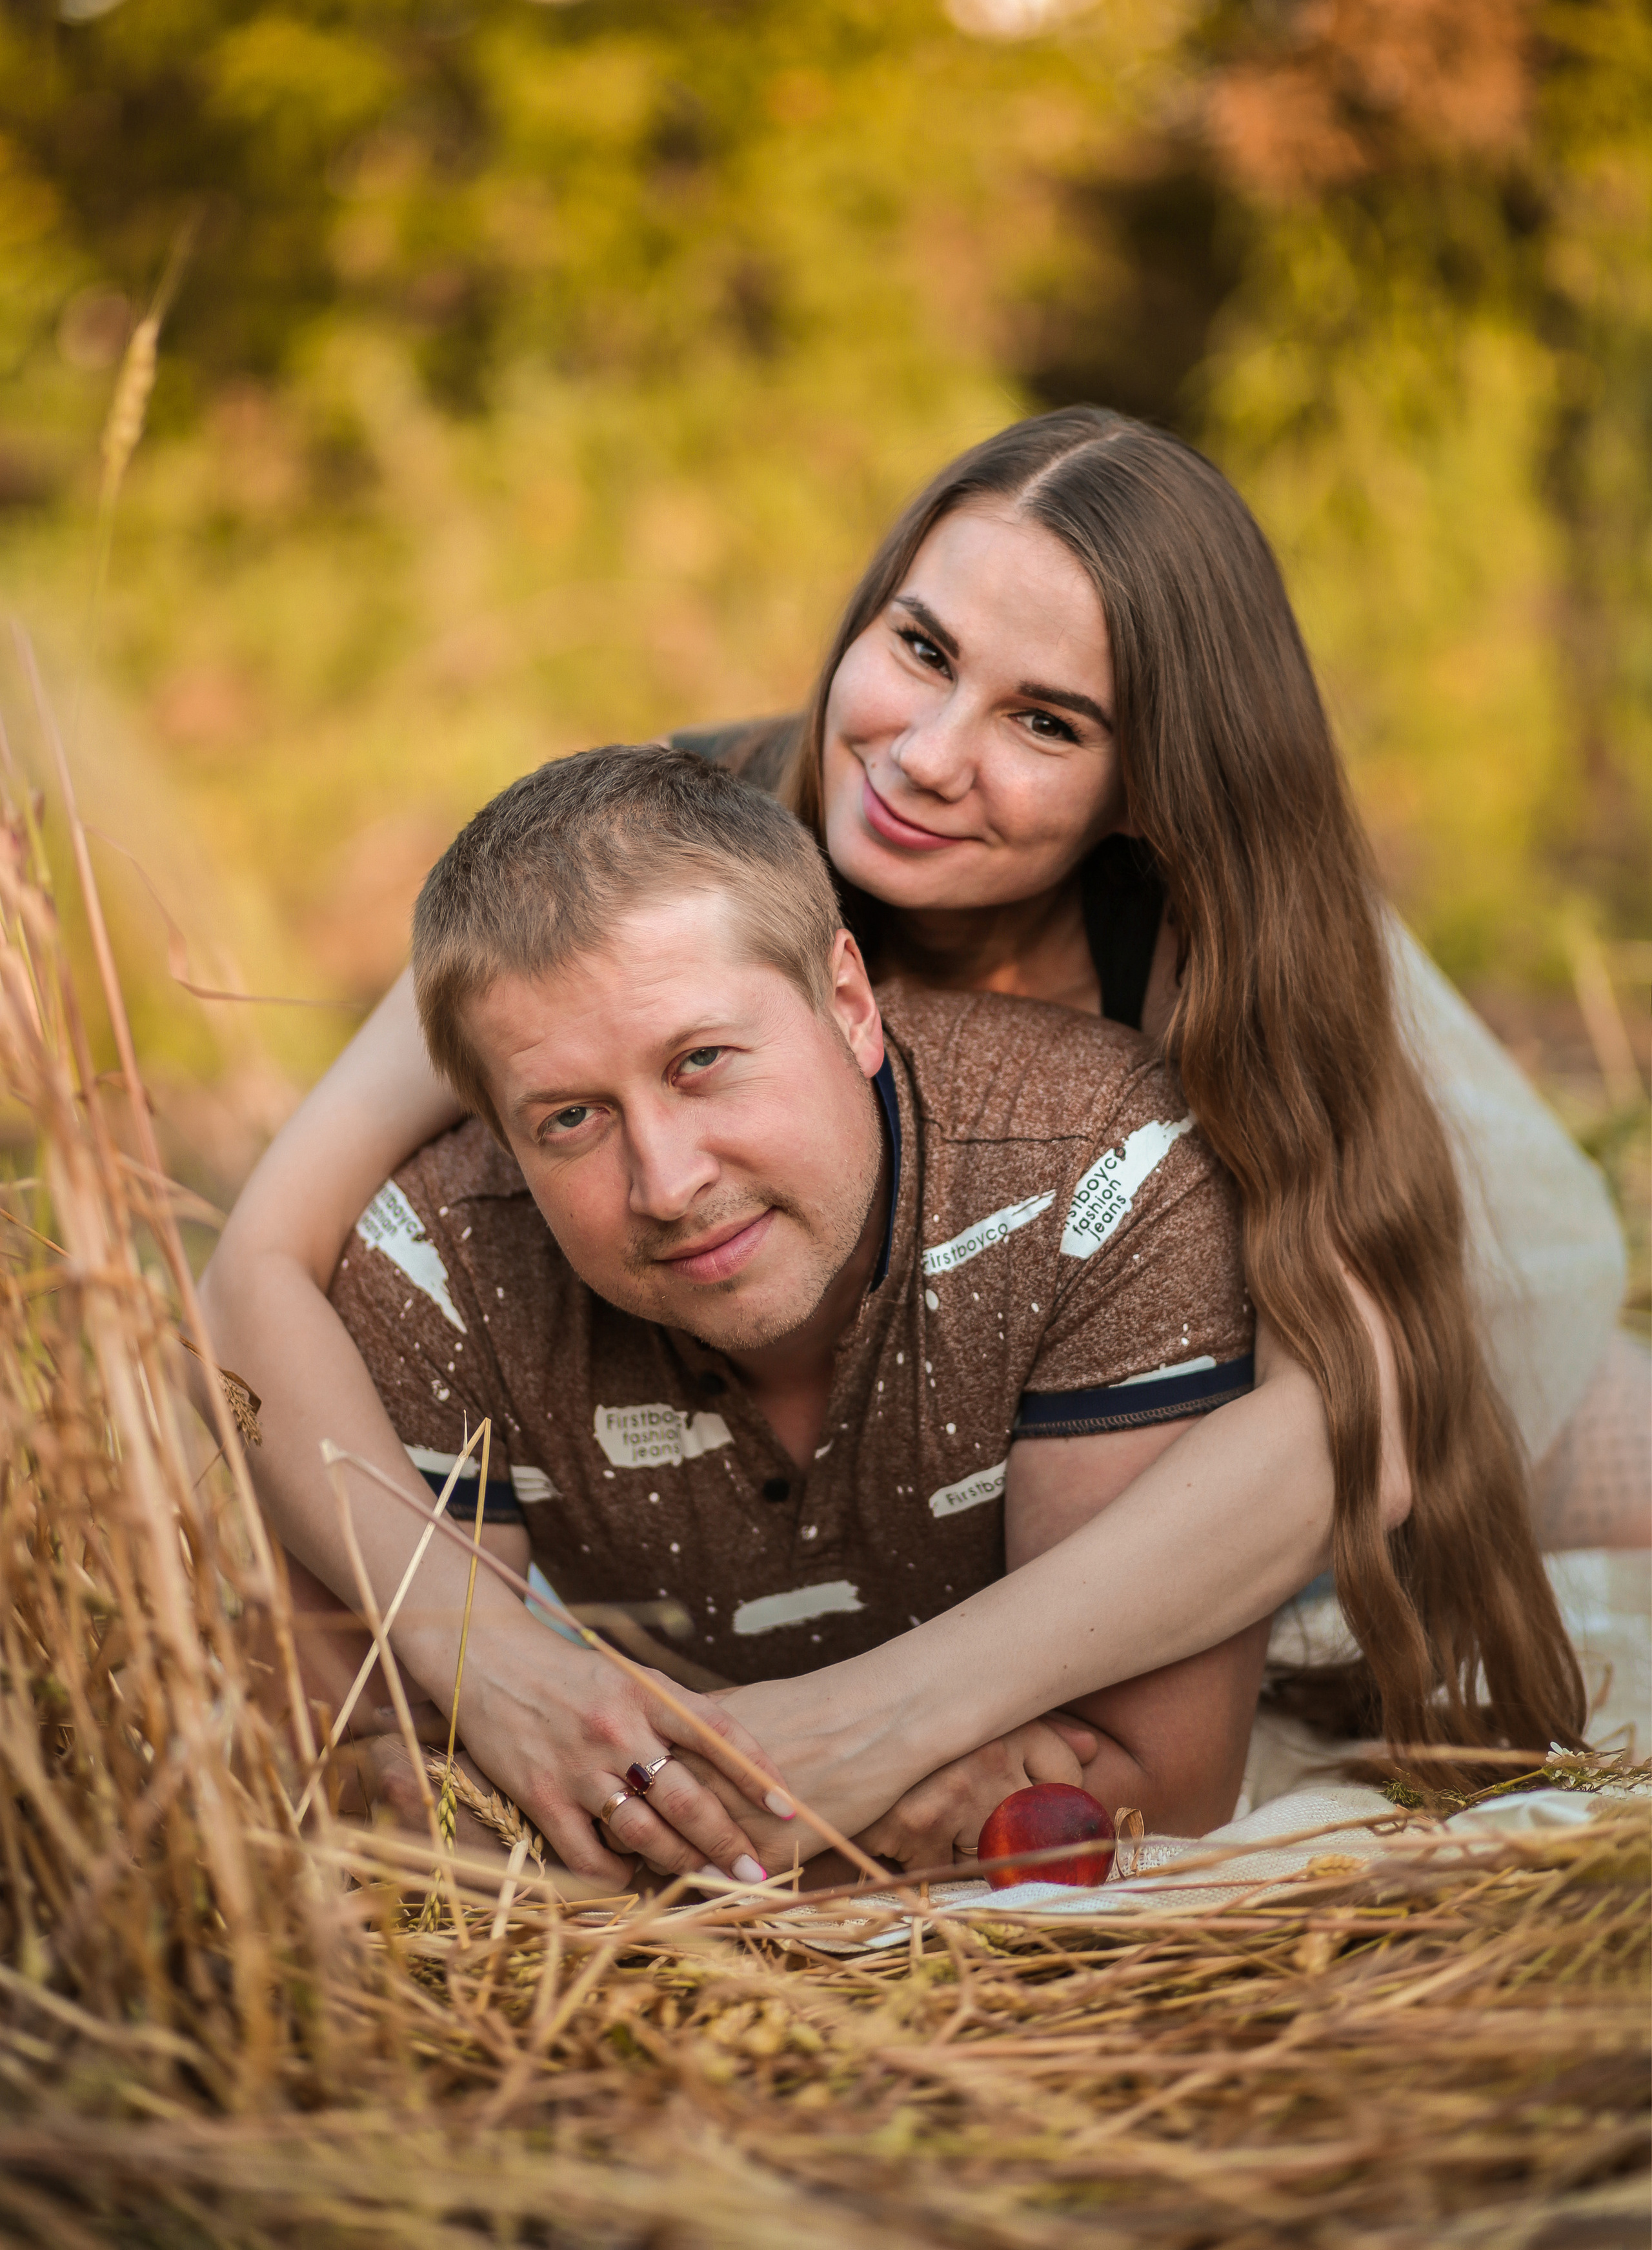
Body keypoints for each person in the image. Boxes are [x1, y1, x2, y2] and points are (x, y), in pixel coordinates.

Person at [201, 409, 1603, 1854]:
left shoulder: (1204, 944)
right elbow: (256, 1264)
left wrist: (893, 1711)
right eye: (921, 649)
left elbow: (1350, 1420)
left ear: (1149, 782)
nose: (928, 755)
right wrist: (477, 1654)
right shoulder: (661, 867)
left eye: (1043, 721)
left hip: (1244, 1418)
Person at [286, 743, 1280, 1880]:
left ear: (849, 1005)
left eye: (703, 1060)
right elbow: (388, 1788)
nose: (667, 1184)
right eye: (569, 1119)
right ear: (499, 1135)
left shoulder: (1099, 1173)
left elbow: (1156, 1788)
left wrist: (637, 1807)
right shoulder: (437, 1261)